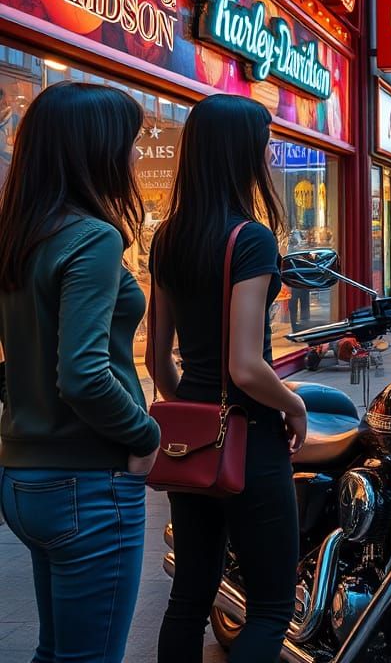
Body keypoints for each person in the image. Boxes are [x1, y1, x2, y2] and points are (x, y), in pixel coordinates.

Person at [0, 82, 161, 663]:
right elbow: (83, 374)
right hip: (88, 481)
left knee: (56, 653)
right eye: (129, 141)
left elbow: (19, 359)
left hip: (24, 477)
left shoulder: (21, 235)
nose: (136, 154)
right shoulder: (92, 237)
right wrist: (146, 435)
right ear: (94, 149)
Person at [147, 95, 307, 663]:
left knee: (189, 597)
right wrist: (293, 405)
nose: (268, 156)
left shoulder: (168, 238)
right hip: (251, 434)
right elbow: (245, 365)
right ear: (240, 153)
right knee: (271, 609)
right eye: (264, 145)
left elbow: (157, 359)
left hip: (192, 440)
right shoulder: (251, 239)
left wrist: (195, 413)